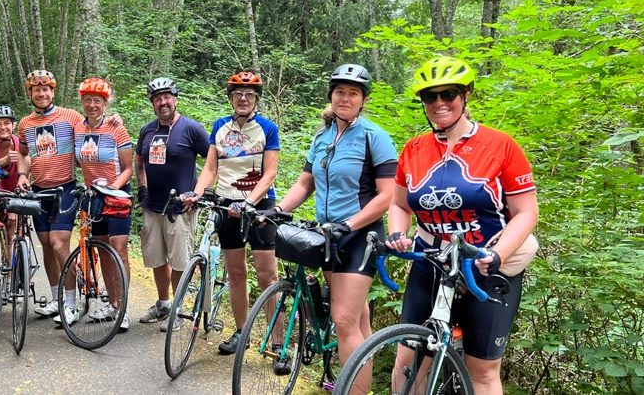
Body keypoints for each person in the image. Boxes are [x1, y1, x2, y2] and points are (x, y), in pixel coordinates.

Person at [385, 57, 539, 395]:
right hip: (432, 262)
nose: (439, 103)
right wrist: (397, 232)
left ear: (466, 94)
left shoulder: (501, 145)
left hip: (486, 265)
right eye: (430, 97)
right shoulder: (414, 149)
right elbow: (398, 203)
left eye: (449, 94)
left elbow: (526, 212)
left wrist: (497, 254)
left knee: (482, 371)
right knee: (409, 359)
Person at [262, 64, 398, 381]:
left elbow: (386, 196)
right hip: (328, 237)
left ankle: (351, 388)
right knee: (357, 318)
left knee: (344, 320)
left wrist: (349, 225)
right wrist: (277, 208)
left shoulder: (374, 137)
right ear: (331, 96)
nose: (345, 98)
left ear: (363, 100)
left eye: (353, 93)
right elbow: (304, 184)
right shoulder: (323, 136)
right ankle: (362, 383)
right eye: (340, 92)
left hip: (359, 238)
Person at [181, 70, 280, 355]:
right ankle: (242, 332)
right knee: (236, 273)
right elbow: (211, 168)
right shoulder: (220, 126)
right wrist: (197, 192)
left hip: (258, 206)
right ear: (230, 98)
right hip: (226, 205)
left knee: (267, 275)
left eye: (249, 94)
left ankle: (276, 343)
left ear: (257, 99)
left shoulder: (267, 128)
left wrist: (250, 201)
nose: (243, 99)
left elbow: (270, 174)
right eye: (237, 94)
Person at [133, 77, 209, 332]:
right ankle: (163, 303)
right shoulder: (147, 130)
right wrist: (142, 189)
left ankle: (178, 309)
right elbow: (139, 161)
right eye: (157, 98)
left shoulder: (191, 129)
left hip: (181, 208)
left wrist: (198, 193)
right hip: (153, 205)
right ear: (152, 103)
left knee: (179, 261)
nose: (162, 102)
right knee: (156, 258)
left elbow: (213, 163)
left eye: (167, 97)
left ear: (175, 99)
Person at [15, 70, 86, 326]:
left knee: (58, 243)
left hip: (65, 187)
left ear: (53, 91)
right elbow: (23, 154)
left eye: (46, 89)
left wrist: (113, 121)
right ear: (31, 93)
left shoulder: (70, 116)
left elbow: (94, 127)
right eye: (37, 90)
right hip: (38, 189)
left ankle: (70, 302)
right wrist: (23, 175)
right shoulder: (25, 123)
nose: (42, 93)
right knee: (45, 243)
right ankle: (57, 297)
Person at [72, 78, 134, 333]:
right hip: (93, 197)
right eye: (87, 100)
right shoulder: (78, 128)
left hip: (117, 195)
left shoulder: (116, 128)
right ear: (82, 102)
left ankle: (123, 308)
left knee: (119, 250)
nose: (92, 105)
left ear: (105, 103)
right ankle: (112, 303)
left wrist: (112, 188)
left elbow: (129, 167)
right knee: (102, 250)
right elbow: (77, 161)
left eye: (97, 100)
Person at [0, 105, 21, 276]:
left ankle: (10, 278)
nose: (3, 127)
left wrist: (14, 204)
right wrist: (2, 161)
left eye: (7, 123)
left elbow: (24, 174)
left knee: (10, 236)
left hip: (11, 193)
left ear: (13, 125)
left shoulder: (18, 143)